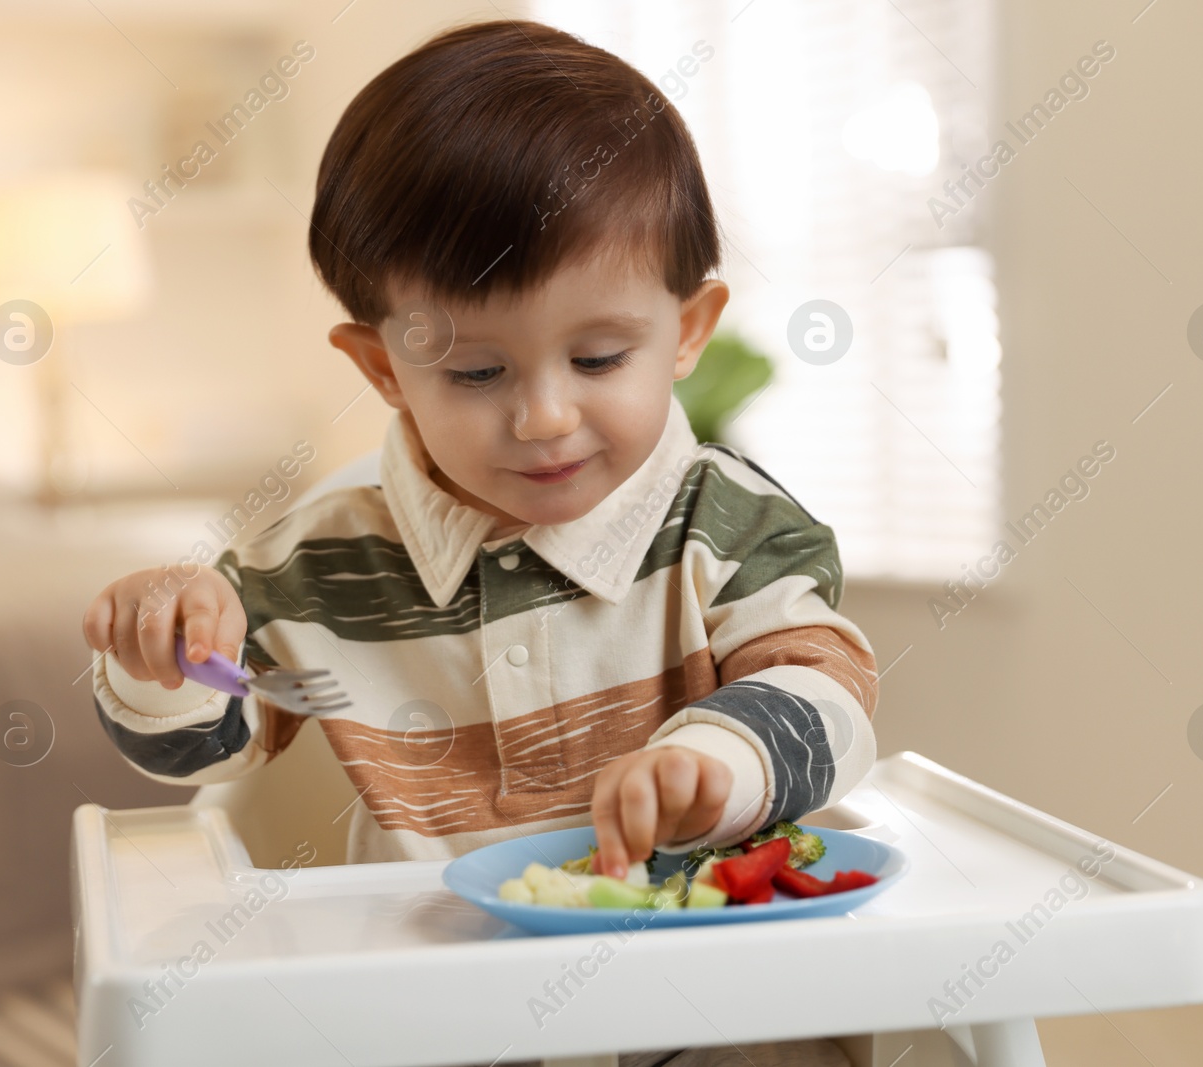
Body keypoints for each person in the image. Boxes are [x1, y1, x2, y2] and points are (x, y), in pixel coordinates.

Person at [82, 20, 876, 1065]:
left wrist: (713, 760)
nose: (545, 416)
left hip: (702, 992)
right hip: (434, 1014)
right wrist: (162, 658)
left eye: (597, 356)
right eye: (475, 374)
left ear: (687, 329)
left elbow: (829, 688)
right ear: (380, 367)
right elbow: (200, 747)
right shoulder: (313, 562)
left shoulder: (724, 523)